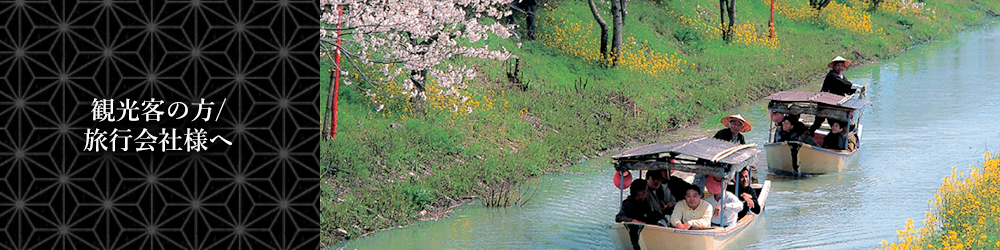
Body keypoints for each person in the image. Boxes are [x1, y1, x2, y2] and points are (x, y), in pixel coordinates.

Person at [811, 56, 864, 133]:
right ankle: (810, 133)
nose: (840, 68)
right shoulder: (832, 75)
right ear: (834, 67)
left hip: (836, 103)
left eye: (842, 66)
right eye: (838, 66)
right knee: (819, 121)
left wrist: (857, 91)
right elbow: (843, 84)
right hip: (826, 103)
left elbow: (846, 88)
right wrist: (859, 87)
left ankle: (843, 134)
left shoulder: (842, 76)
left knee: (839, 122)